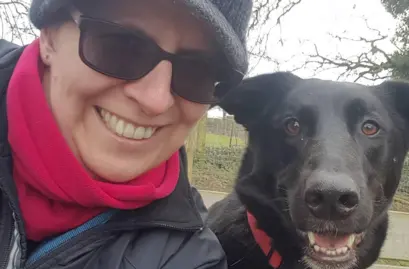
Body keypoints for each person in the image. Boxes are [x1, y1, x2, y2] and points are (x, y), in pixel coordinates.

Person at [0, 0, 252, 268]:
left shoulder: (190, 258)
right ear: (50, 36)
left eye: (197, 73)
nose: (155, 100)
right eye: (121, 46)